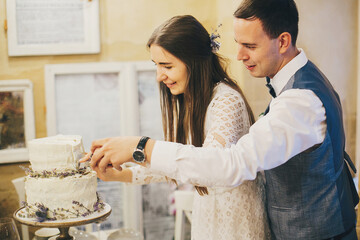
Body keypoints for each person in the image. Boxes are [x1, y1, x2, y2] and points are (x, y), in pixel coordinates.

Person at [83, 0, 359, 239]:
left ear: (283, 41)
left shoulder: (300, 102)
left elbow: (231, 165)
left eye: (250, 46)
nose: (239, 56)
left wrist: (142, 147)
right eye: (238, 44)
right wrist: (128, 172)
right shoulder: (295, 88)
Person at [85, 15, 270, 239]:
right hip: (208, 221)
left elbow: (206, 167)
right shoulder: (192, 99)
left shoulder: (226, 101)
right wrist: (118, 175)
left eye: (167, 66)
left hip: (236, 229)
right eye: (157, 65)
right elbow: (176, 165)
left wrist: (139, 147)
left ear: (194, 62)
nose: (159, 76)